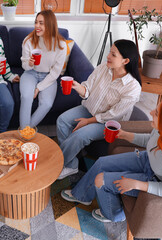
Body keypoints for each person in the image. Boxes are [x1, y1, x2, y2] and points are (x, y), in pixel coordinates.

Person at [61, 94, 162, 223]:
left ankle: (114, 215)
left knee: (101, 180)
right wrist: (125, 135)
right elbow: (150, 140)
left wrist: (137, 184)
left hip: (153, 179)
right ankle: (82, 195)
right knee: (101, 162)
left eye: (157, 113)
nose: (151, 113)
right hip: (146, 159)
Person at [56, 39, 142, 179]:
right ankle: (71, 164)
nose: (108, 56)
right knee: (62, 120)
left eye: (113, 55)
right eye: (109, 52)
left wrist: (88, 121)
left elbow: (113, 114)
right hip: (90, 109)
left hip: (108, 123)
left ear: (125, 61)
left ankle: (58, 162)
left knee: (80, 135)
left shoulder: (132, 88)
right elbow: (88, 90)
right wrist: (79, 87)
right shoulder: (103, 67)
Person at [19, 10, 67, 128]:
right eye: (36, 22)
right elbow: (24, 66)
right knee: (26, 97)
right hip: (30, 73)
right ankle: (26, 133)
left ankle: (25, 130)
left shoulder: (61, 45)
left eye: (41, 23)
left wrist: (38, 88)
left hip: (48, 75)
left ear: (50, 25)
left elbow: (55, 73)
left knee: (46, 104)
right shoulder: (28, 41)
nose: (37, 26)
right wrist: (29, 63)